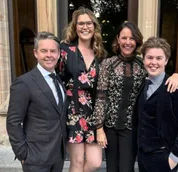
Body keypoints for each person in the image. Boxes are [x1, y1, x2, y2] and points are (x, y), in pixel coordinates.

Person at [93, 22, 178, 172]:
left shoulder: (143, 64)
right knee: (112, 168)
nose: (128, 42)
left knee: (127, 168)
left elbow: (159, 76)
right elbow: (101, 97)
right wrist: (99, 128)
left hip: (132, 127)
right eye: (124, 38)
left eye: (132, 38)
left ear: (137, 41)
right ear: (118, 40)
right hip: (110, 127)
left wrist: (176, 75)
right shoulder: (107, 64)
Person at [6, 31, 68, 172]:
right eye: (44, 51)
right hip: (35, 157)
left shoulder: (58, 80)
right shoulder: (24, 83)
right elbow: (13, 122)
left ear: (59, 54)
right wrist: (23, 153)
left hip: (58, 155)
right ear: (36, 53)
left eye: (53, 51)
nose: (49, 55)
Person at [55, 7, 106, 172]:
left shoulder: (100, 54)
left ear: (94, 26)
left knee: (95, 162)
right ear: (75, 27)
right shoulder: (65, 50)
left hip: (93, 114)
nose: (85, 27)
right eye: (81, 23)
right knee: (76, 162)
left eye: (88, 23)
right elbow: (56, 79)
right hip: (72, 112)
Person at [133, 36, 178, 172]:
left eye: (158, 58)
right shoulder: (143, 85)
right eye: (149, 57)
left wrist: (174, 158)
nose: (153, 62)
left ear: (166, 60)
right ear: (143, 59)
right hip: (144, 156)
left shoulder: (177, 89)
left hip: (164, 158)